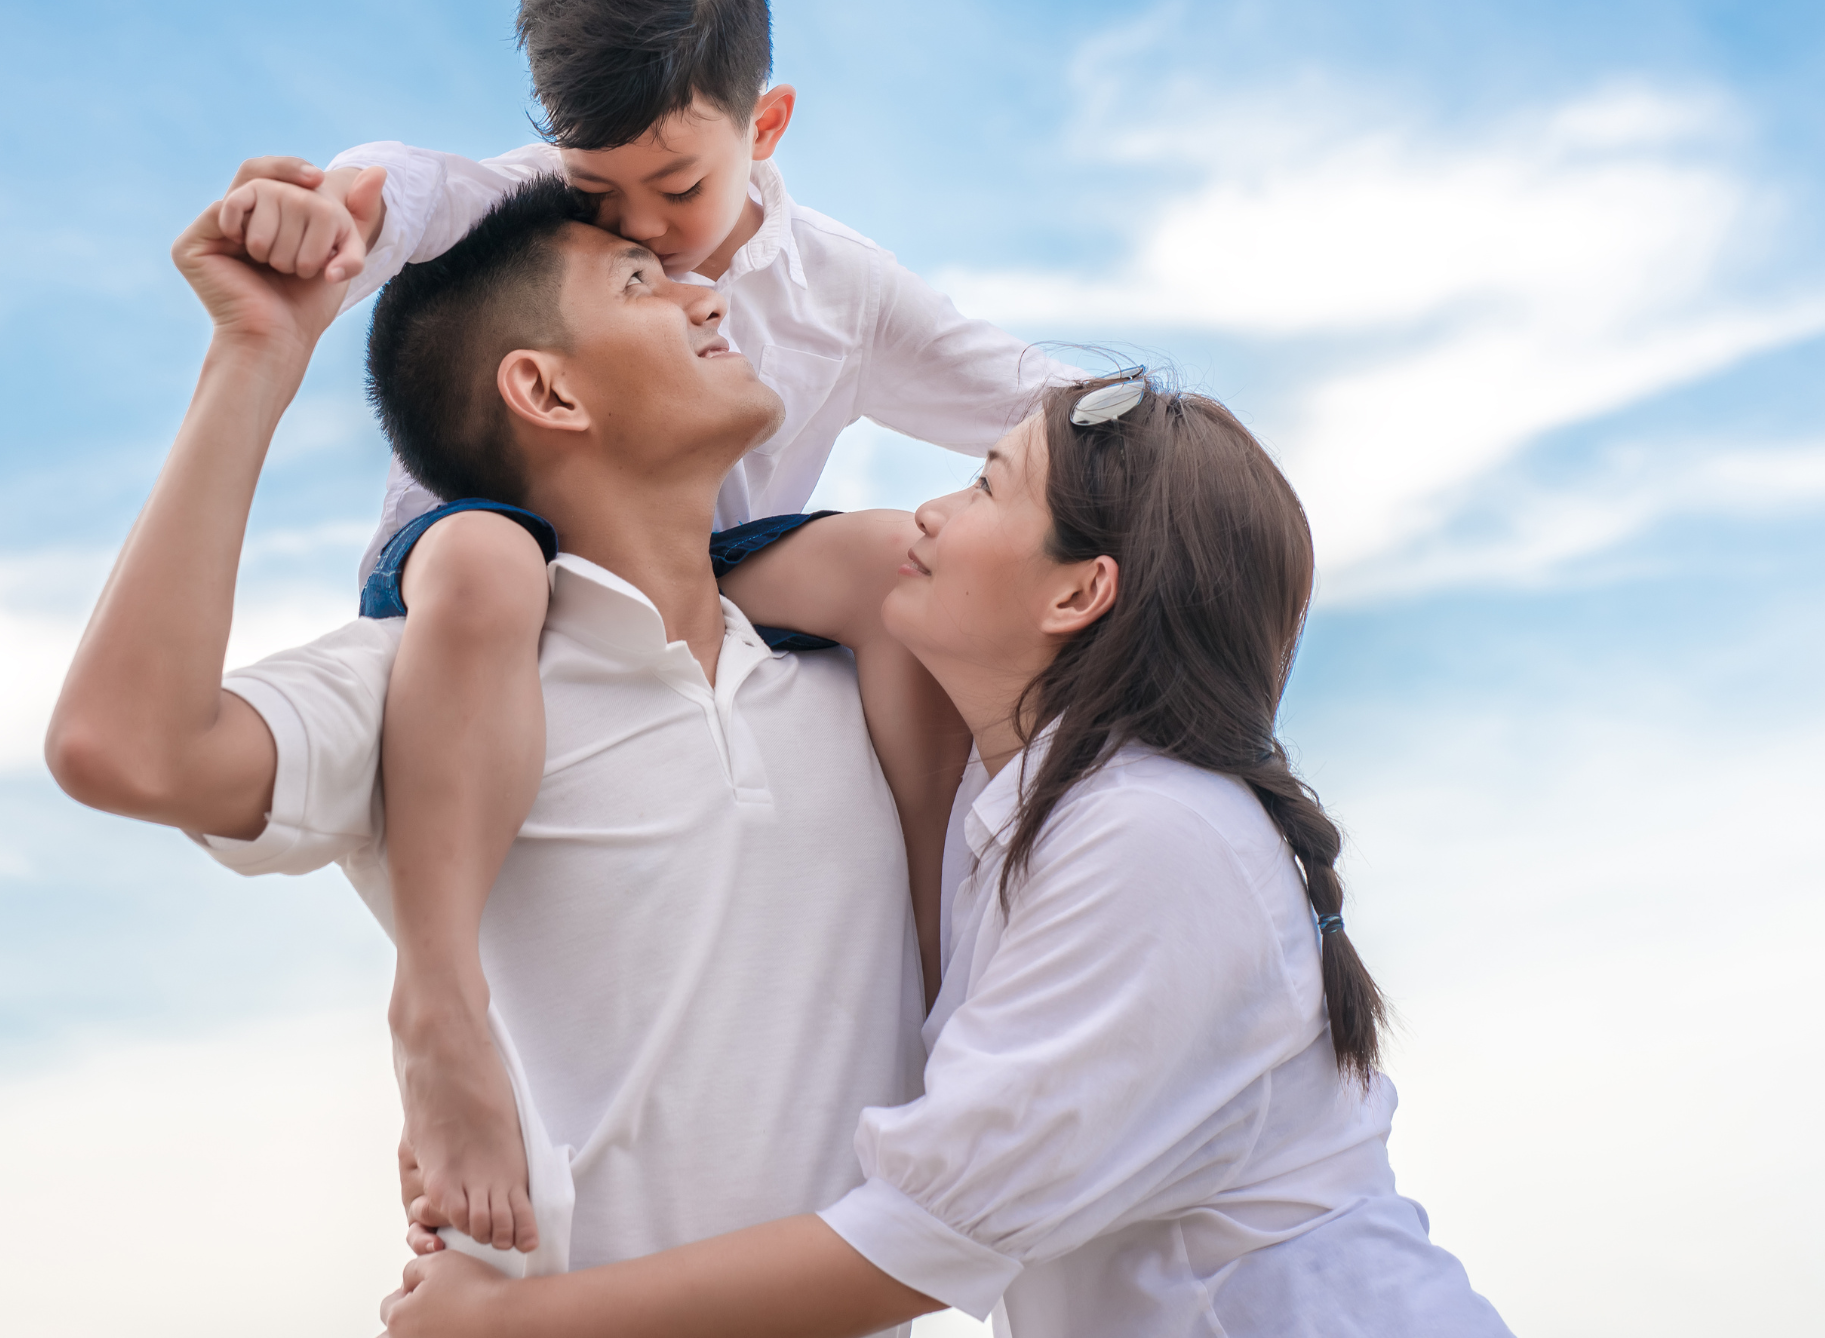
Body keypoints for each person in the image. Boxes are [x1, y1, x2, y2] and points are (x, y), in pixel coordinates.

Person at [219, 0, 1066, 1252]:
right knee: (496, 562)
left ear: (767, 125)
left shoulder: (839, 287)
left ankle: (938, 977)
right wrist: (323, 210)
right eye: (599, 191)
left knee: (887, 571)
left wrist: (1157, 430)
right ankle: (437, 1002)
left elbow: (1011, 389)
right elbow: (406, 182)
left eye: (677, 186)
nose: (645, 233)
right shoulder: (540, 211)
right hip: (481, 556)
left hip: (705, 572)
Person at [379, 374, 1517, 1337]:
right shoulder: (1032, 806)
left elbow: (917, 1242)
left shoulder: (1151, 838)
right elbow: (689, 583)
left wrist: (510, 1320)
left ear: (1079, 590)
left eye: (983, 486)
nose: (926, 510)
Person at [45, 172, 945, 1318]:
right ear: (545, 390)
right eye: (640, 283)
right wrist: (255, 356)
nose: (706, 300)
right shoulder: (436, 685)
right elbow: (122, 746)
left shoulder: (851, 673)